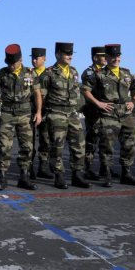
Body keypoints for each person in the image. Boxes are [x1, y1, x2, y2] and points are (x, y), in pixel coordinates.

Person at [82, 44, 135, 187]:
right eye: (112, 57)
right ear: (107, 58)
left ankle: (126, 173)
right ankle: (107, 173)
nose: (116, 59)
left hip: (126, 114)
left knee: (130, 144)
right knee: (107, 145)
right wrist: (98, 103)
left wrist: (133, 101)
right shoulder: (98, 74)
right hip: (108, 113)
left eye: (118, 56)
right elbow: (85, 90)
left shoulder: (126, 73)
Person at [0, 44, 43, 190]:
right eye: (9, 64)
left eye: (14, 63)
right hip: (7, 114)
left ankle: (24, 177)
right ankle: (2, 178)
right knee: (4, 147)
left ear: (21, 60)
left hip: (25, 114)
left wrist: (38, 113)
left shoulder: (30, 74)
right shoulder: (2, 74)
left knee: (27, 147)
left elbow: (37, 94)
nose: (12, 66)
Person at [38, 42, 89, 189]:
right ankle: (59, 175)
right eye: (66, 53)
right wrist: (42, 113)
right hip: (56, 113)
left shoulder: (73, 72)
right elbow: (41, 95)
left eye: (71, 53)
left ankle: (77, 174)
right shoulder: (48, 73)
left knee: (79, 144)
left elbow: (76, 93)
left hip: (72, 113)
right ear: (58, 54)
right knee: (57, 147)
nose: (70, 56)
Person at [81, 46, 107, 180]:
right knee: (92, 140)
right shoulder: (89, 72)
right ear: (95, 57)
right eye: (103, 56)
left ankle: (105, 167)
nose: (106, 58)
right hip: (93, 111)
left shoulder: (108, 72)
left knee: (106, 140)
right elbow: (86, 91)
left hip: (106, 111)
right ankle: (89, 169)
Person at [28, 47, 52, 178]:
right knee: (29, 141)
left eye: (36, 58)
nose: (34, 60)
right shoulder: (28, 73)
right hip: (31, 111)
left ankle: (43, 166)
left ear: (44, 59)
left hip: (46, 111)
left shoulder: (50, 74)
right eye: (32, 58)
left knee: (45, 139)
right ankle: (29, 167)